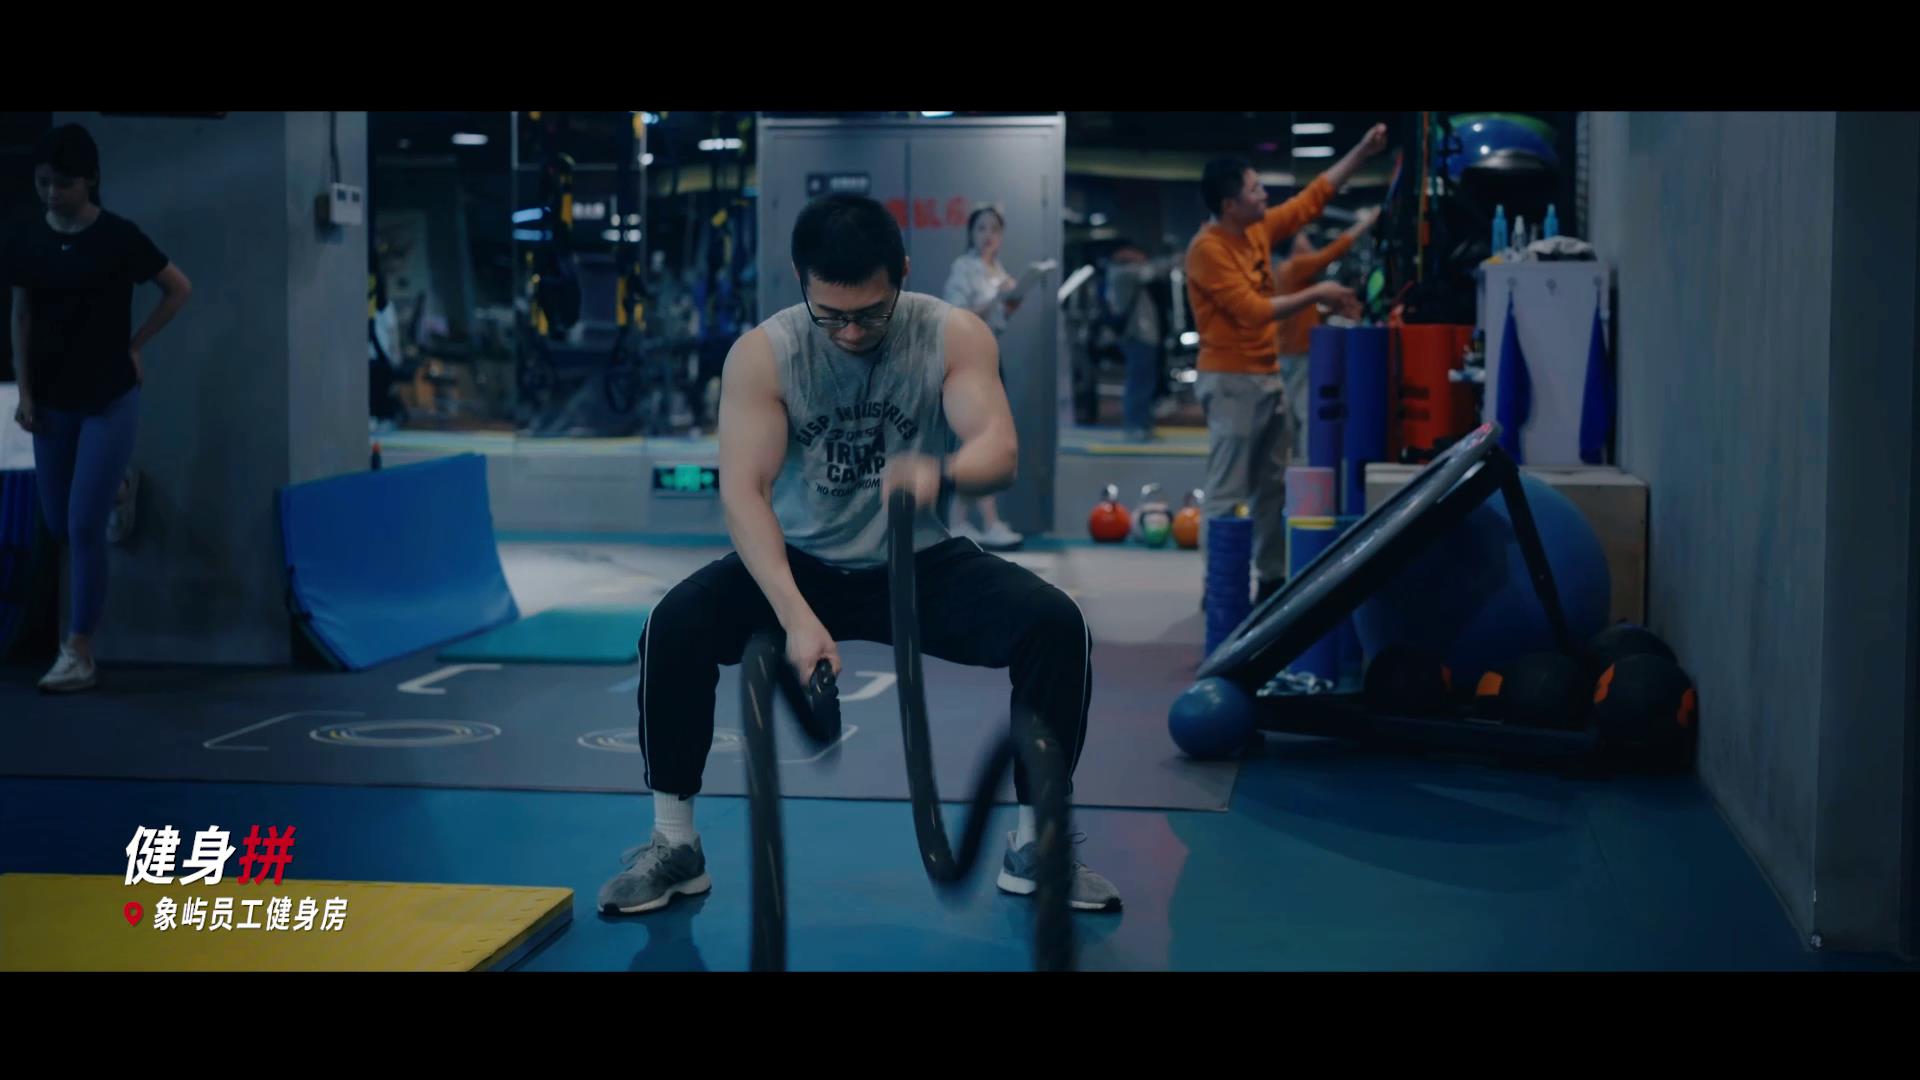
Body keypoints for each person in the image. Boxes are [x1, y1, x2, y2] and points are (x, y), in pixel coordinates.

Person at [599, 194, 1120, 917]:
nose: (849, 332)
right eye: (831, 315)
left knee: (1057, 626)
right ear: (801, 282)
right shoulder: (764, 354)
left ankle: (1039, 844)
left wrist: (941, 474)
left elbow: (999, 450)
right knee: (674, 625)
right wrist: (795, 616)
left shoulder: (952, 334)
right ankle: (675, 844)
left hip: (920, 562)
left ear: (902, 272)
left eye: (871, 314)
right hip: (800, 563)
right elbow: (744, 492)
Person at [6, 123, 192, 692]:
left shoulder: (118, 237)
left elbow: (178, 288)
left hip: (109, 394)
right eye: (43, 182)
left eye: (63, 184)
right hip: (52, 398)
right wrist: (25, 392)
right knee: (58, 522)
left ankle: (79, 650)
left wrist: (136, 345)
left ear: (90, 180)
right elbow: (21, 315)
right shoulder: (29, 239)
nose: (51, 193)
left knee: (83, 527)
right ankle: (117, 485)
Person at [1184, 124, 1387, 604]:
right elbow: (1252, 310)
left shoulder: (1254, 228)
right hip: (1230, 381)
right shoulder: (1208, 250)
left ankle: (1271, 580)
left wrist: (1362, 151)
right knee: (1227, 492)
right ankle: (1220, 590)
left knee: (1272, 488)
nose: (1265, 195)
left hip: (1267, 376)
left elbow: (1311, 200)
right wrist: (1317, 294)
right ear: (1230, 204)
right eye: (1255, 189)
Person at [939, 205, 1024, 550]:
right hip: (968, 357)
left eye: (994, 229)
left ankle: (963, 520)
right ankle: (984, 522)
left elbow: (998, 321)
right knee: (983, 438)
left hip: (989, 355)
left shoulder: (997, 271)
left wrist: (1009, 304)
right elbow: (955, 314)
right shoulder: (964, 268)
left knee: (984, 438)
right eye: (981, 228)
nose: (988, 235)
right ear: (971, 234)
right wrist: (995, 300)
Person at [1275, 207, 1379, 458]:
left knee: (1292, 416)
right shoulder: (1295, 267)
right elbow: (1332, 252)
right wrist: (1365, 224)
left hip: (1286, 351)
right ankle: (1309, 467)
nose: (1309, 243)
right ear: (1294, 245)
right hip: (1298, 352)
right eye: (1304, 239)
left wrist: (1326, 313)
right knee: (1307, 412)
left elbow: (1299, 312)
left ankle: (1294, 466)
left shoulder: (1283, 272)